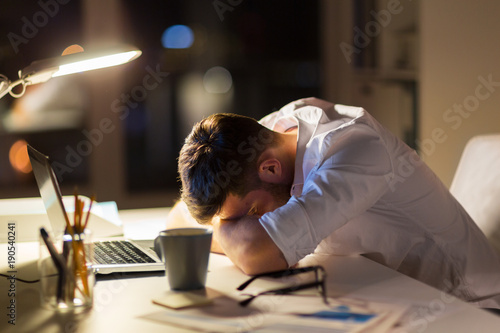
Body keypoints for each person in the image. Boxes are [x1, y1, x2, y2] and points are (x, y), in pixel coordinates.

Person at [170, 97, 500, 309]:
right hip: (385, 294)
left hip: (464, 307)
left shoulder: (354, 149)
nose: (250, 224)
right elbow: (177, 220)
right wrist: (231, 226)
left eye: (252, 213)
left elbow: (259, 255)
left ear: (270, 169)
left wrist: (240, 239)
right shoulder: (273, 133)